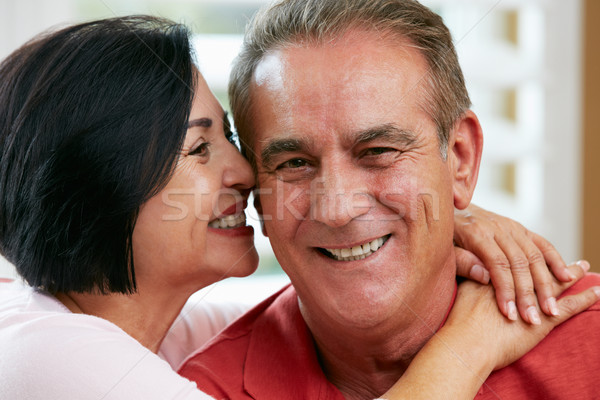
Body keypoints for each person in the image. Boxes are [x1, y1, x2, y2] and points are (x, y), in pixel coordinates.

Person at [0, 13, 591, 400]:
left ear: (460, 158)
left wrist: (440, 215)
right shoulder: (51, 361)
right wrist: (473, 341)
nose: (243, 173)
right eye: (200, 148)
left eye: (380, 150)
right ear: (105, 191)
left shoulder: (175, 332)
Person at [178, 1, 600, 399]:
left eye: (378, 151)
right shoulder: (199, 390)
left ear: (461, 160)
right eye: (294, 163)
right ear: (257, 197)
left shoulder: (590, 342)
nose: (338, 209)